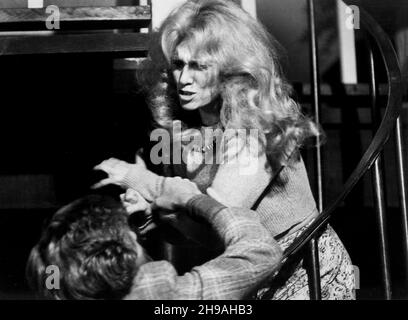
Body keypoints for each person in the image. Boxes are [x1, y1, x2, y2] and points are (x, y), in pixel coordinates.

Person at [93, 0, 355, 299]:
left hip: (305, 273)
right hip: (250, 274)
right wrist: (150, 215)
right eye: (178, 64)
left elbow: (215, 221)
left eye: (200, 66)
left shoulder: (254, 129)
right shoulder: (188, 129)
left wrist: (137, 179)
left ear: (231, 69)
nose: (184, 79)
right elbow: (187, 229)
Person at [26, 176, 282, 300]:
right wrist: (193, 200)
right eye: (132, 238)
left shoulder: (69, 287)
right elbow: (259, 253)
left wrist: (143, 224)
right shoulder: (159, 294)